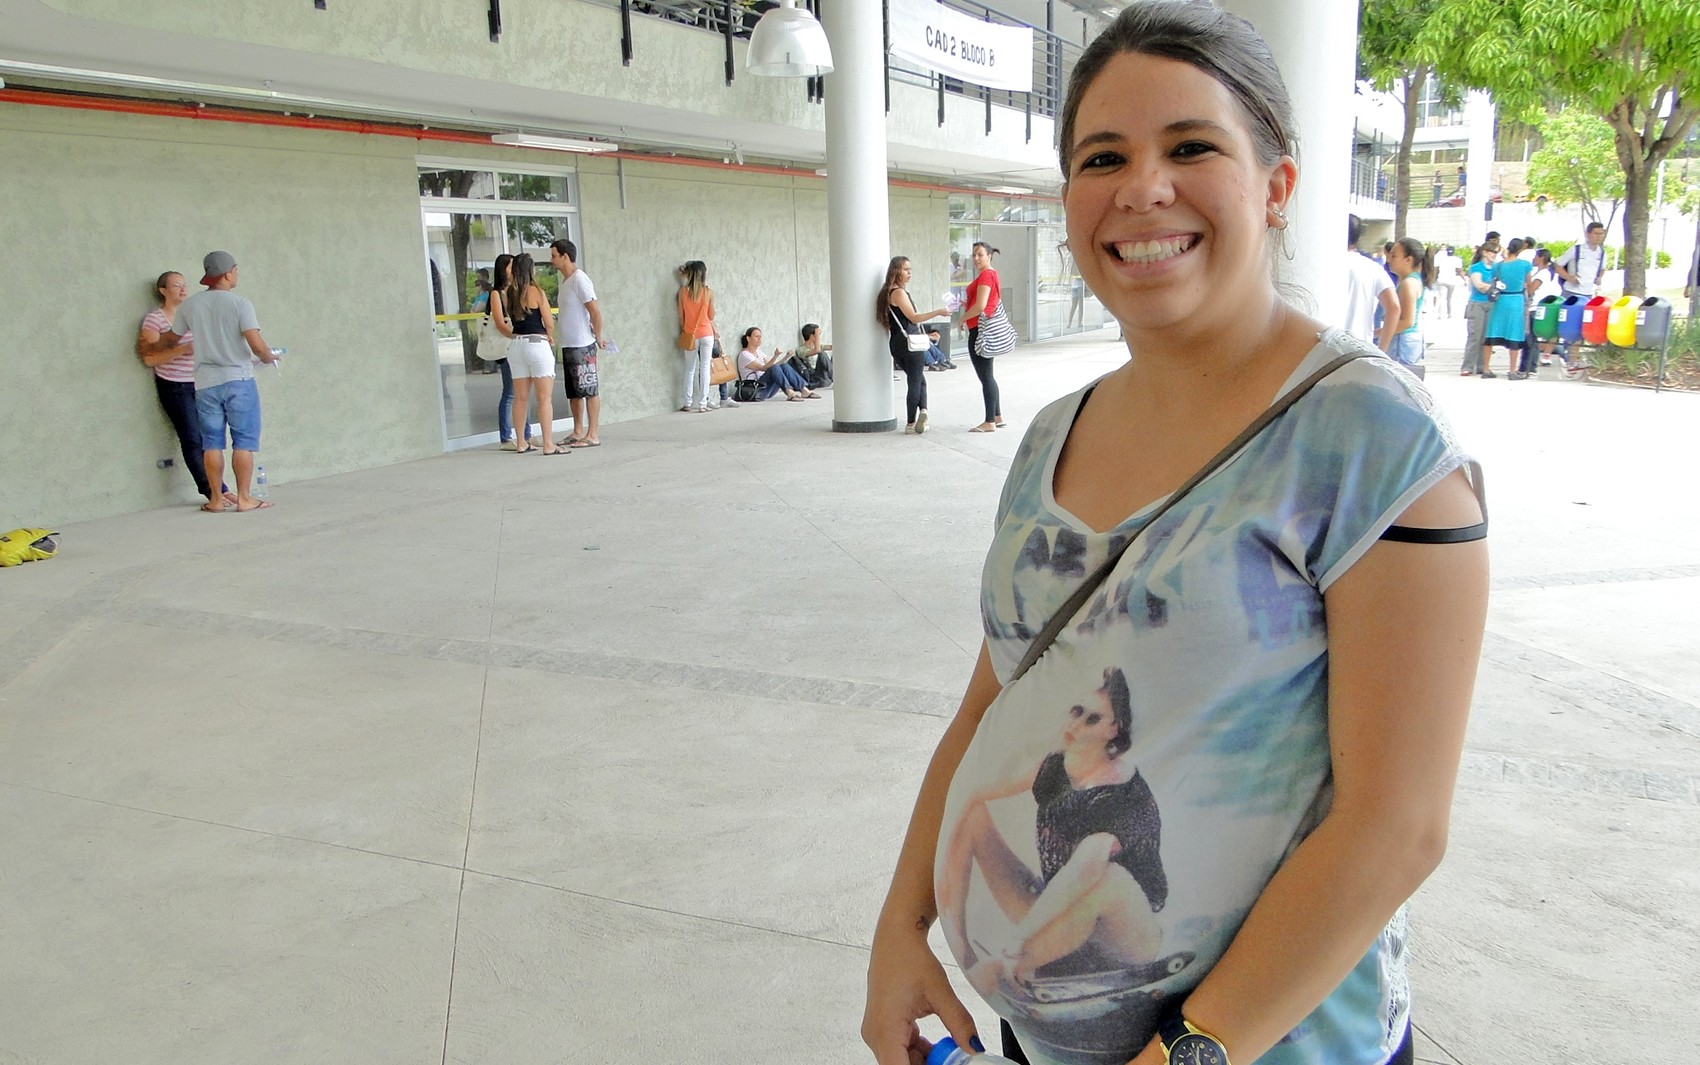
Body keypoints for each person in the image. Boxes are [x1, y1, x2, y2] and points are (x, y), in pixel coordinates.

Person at [861, 8, 1487, 1065]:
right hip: (1039, 1041)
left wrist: (1186, 1053)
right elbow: (990, 704)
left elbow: (1395, 825)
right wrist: (898, 926)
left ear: (1275, 186)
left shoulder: (1373, 440)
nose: (1140, 187)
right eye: (1101, 158)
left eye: (1190, 147)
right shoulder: (1050, 437)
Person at [140, 251, 281, 512]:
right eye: (235, 269)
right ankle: (244, 498)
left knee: (211, 443)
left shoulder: (190, 306)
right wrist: (270, 356)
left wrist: (150, 348)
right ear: (228, 273)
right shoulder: (241, 304)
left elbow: (170, 340)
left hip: (204, 383)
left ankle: (215, 499)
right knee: (243, 442)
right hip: (238, 379)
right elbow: (256, 344)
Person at [135, 271, 233, 507]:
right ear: (163, 290)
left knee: (211, 437)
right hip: (175, 386)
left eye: (185, 285)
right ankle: (213, 491)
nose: (183, 289)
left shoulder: (193, 316)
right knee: (192, 438)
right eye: (176, 285)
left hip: (201, 383)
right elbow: (149, 358)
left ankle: (222, 489)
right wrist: (184, 348)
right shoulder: (155, 320)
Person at [491, 253, 565, 454]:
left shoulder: (510, 293)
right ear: (530, 270)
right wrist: (550, 336)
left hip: (516, 346)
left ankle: (521, 442)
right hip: (536, 343)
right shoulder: (536, 291)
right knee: (544, 398)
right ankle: (548, 444)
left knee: (520, 398)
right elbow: (549, 321)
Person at [879, 256, 950, 434]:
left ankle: (923, 413)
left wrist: (926, 334)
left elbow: (903, 324)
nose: (909, 273)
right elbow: (913, 318)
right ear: (896, 271)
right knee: (915, 381)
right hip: (909, 345)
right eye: (906, 270)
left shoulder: (887, 293)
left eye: (910, 269)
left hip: (898, 343)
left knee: (918, 380)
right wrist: (939, 312)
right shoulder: (898, 293)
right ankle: (912, 422)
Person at [549, 238, 608, 447]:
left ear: (565, 256)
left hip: (583, 345)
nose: (552, 260)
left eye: (554, 256)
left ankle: (592, 434)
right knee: (574, 392)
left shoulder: (580, 280)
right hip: (569, 345)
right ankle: (577, 430)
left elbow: (594, 311)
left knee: (589, 389)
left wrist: (598, 336)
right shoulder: (566, 282)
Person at [960, 241, 1006, 432]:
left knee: (986, 376)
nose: (976, 258)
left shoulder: (987, 275)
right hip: (982, 328)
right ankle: (997, 415)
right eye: (974, 255)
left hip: (980, 330)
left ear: (989, 256)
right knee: (988, 375)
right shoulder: (990, 274)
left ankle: (989, 421)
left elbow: (980, 306)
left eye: (980, 254)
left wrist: (961, 318)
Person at [480, 254, 523, 449]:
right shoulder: (496, 293)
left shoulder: (516, 289)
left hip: (517, 344)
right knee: (510, 392)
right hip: (506, 346)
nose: (513, 270)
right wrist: (517, 335)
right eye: (510, 266)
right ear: (502, 269)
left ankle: (526, 434)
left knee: (522, 392)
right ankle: (506, 437)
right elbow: (499, 322)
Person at [1484, 238, 1537, 379]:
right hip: (1516, 299)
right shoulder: (1525, 265)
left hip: (1501, 299)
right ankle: (1512, 370)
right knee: (1515, 332)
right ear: (1521, 250)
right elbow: (1529, 283)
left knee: (1492, 331)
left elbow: (1493, 280)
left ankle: (1486, 368)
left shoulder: (1498, 266)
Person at [1342, 214, 1397, 351]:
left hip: (1323, 348)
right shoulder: (1372, 268)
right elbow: (1394, 307)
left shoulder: (1320, 265)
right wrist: (1381, 350)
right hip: (1360, 348)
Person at [1386, 237, 1434, 378]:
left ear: (1408, 259)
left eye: (1394, 255)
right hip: (1407, 340)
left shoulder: (1409, 283)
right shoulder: (1409, 280)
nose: (1389, 259)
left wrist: (1380, 333)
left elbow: (1407, 321)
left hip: (1404, 342)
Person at [677, 260, 720, 413]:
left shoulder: (682, 292)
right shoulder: (708, 292)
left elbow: (681, 317)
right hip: (707, 334)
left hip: (690, 334)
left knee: (689, 369)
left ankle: (687, 403)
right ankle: (703, 404)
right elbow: (711, 315)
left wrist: (685, 329)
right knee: (705, 368)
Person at [735, 327, 817, 401]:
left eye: (760, 337)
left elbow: (773, 368)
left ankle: (804, 390)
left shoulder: (759, 353)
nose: (759, 339)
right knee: (774, 368)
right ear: (748, 338)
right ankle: (790, 393)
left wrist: (786, 357)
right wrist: (775, 356)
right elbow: (764, 368)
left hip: (766, 388)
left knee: (784, 366)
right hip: (754, 390)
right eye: (756, 337)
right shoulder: (744, 354)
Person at [1461, 243, 1498, 376]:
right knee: (1474, 336)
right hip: (1477, 304)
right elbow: (1478, 285)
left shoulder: (1496, 268)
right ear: (1484, 252)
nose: (1494, 254)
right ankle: (1467, 366)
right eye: (1491, 251)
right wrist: (1494, 287)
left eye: (1496, 252)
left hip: (1491, 304)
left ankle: (1482, 365)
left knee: (1486, 337)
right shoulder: (1475, 267)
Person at [1553, 222, 1607, 301]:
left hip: (1588, 293)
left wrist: (1599, 277)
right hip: (1571, 292)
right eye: (1596, 233)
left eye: (1601, 234)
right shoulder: (1576, 249)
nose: (1598, 237)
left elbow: (1602, 268)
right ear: (1587, 234)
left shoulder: (1601, 252)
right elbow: (1556, 266)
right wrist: (1569, 278)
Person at [796, 323, 834, 388]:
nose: (819, 337)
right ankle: (836, 379)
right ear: (812, 336)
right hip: (817, 379)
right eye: (817, 335)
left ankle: (839, 377)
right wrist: (817, 335)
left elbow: (831, 347)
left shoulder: (817, 347)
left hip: (827, 378)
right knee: (822, 354)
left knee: (835, 355)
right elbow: (817, 350)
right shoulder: (800, 350)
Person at [1433, 244, 1462, 318]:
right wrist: (1464, 279)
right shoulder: (1457, 259)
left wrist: (1434, 277)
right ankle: (1449, 314)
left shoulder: (1441, 259)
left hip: (1441, 280)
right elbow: (1459, 271)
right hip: (1452, 281)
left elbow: (1436, 268)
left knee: (1441, 297)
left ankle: (1440, 315)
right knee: (1449, 298)